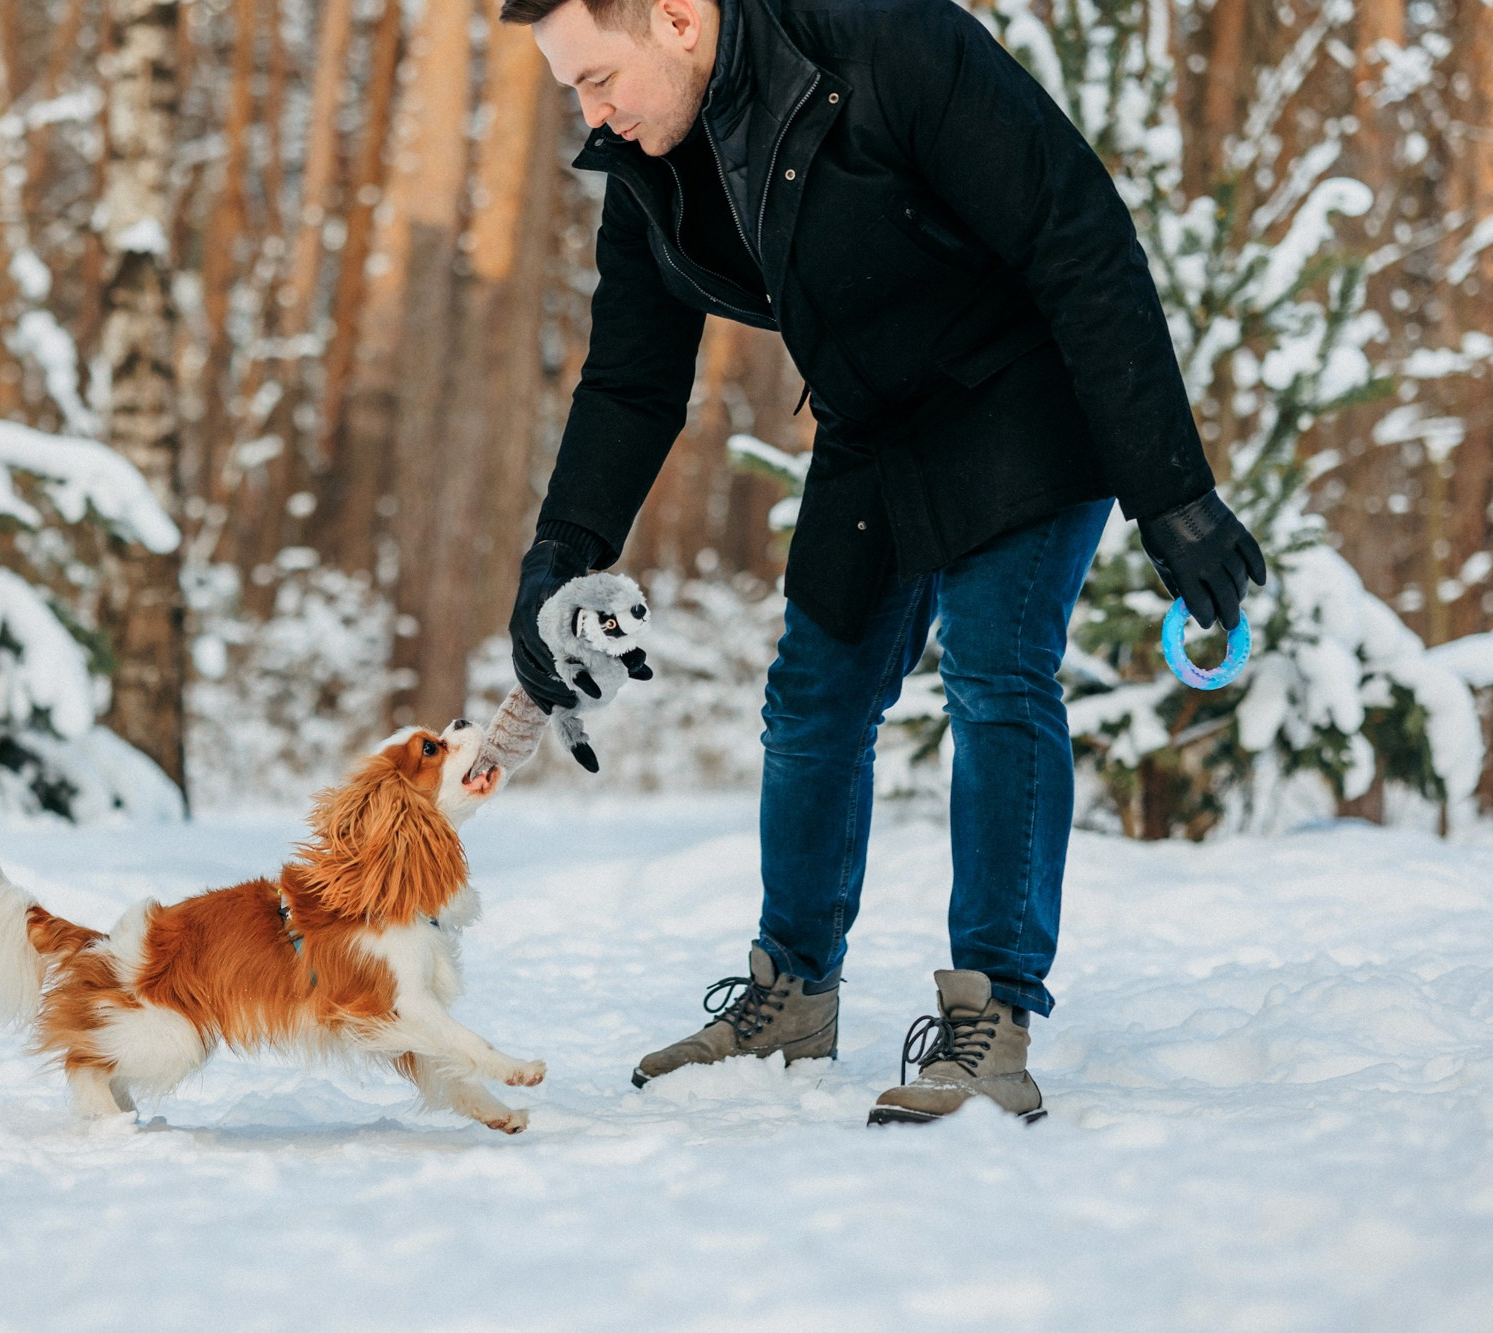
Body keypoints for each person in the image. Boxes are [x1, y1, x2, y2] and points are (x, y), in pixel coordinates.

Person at [498, 0, 1265, 1124]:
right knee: (812, 697)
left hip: (1021, 391)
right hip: (873, 421)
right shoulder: (648, 158)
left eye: (597, 77)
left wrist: (1172, 493)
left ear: (673, 19)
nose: (589, 111)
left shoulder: (880, 44)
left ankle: (990, 1019)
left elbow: (1078, 234)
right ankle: (791, 997)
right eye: (573, 88)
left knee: (995, 674)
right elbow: (630, 377)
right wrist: (556, 556)